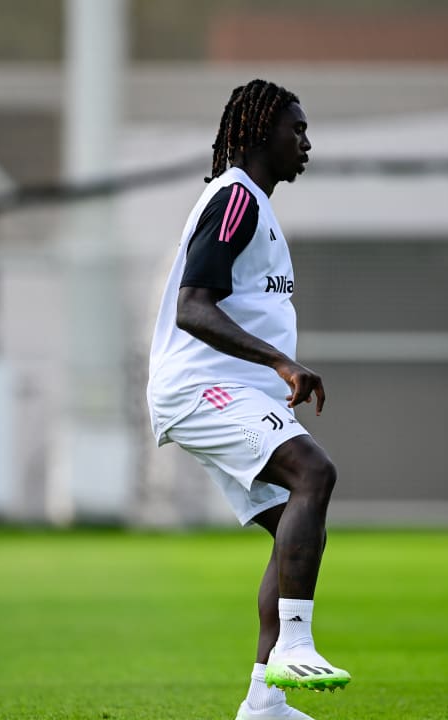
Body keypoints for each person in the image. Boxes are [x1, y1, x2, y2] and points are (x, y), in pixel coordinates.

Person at [146, 79, 349, 720]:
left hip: (231, 390)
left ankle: (265, 703)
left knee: (299, 518)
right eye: (298, 130)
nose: (306, 143)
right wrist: (282, 362)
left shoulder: (255, 203)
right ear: (263, 132)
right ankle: (294, 644)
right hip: (202, 388)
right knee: (314, 472)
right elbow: (192, 307)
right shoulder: (236, 198)